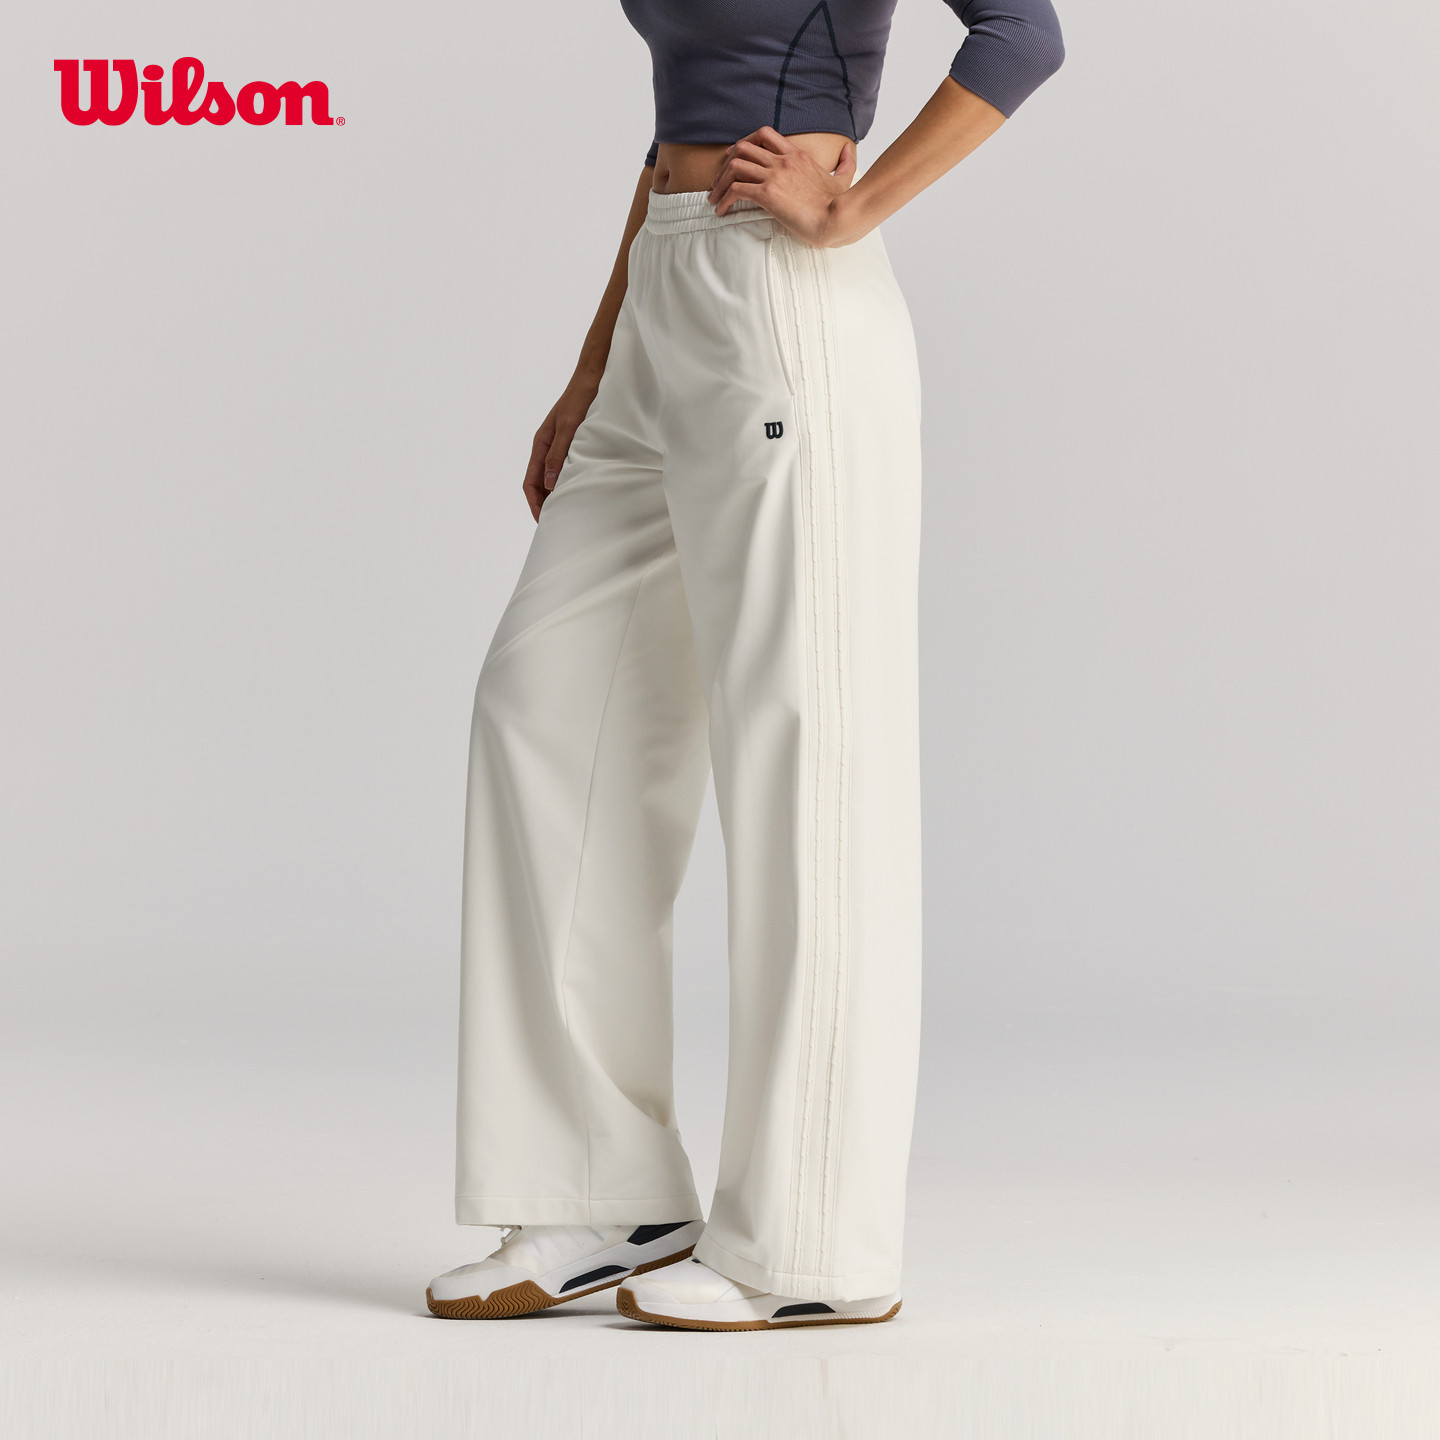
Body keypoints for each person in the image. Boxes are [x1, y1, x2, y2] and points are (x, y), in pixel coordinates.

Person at [425, 0, 1064, 1331]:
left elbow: (1022, 32)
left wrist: (854, 205)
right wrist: (595, 365)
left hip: (782, 304)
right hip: (665, 297)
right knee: (542, 712)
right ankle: (600, 1188)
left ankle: (812, 1245)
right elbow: (675, 124)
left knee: (803, 760)